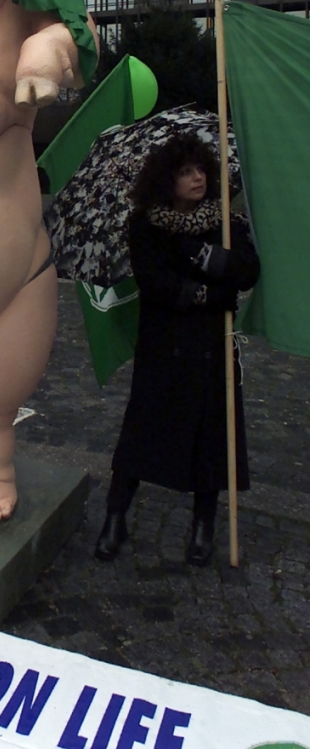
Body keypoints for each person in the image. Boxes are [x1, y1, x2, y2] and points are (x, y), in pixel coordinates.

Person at [95, 132, 260, 566]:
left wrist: (209, 258)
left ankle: (203, 527)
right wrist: (209, 292)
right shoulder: (146, 223)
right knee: (141, 430)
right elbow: (155, 283)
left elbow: (246, 272)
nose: (197, 178)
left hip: (211, 346)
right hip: (163, 345)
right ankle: (115, 516)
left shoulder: (228, 221)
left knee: (211, 435)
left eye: (201, 170)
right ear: (167, 179)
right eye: (185, 172)